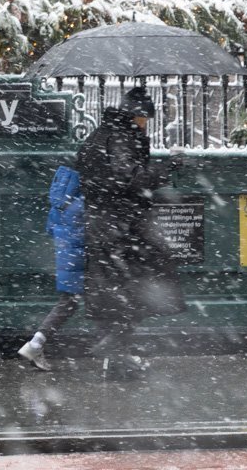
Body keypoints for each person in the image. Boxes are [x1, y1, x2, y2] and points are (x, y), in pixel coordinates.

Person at [77, 86, 185, 380]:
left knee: (115, 293)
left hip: (105, 225)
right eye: (144, 118)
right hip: (121, 227)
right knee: (132, 291)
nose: (146, 123)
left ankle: (118, 357)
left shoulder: (103, 134)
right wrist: (168, 166)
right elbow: (129, 179)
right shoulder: (121, 138)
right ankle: (115, 350)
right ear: (136, 115)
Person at [18, 166, 85, 371]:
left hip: (67, 258)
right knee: (111, 303)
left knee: (69, 302)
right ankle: (120, 353)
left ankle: (35, 344)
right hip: (85, 259)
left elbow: (50, 229)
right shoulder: (82, 202)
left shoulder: (60, 202)